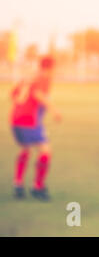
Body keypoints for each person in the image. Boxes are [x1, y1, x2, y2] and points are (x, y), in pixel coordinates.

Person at [10, 56, 61, 201]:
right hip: (29, 120)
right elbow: (37, 94)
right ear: (51, 68)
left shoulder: (28, 78)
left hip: (15, 119)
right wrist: (54, 109)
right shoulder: (44, 78)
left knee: (25, 150)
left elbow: (14, 96)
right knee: (45, 151)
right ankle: (37, 187)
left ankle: (18, 185)